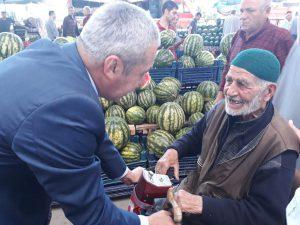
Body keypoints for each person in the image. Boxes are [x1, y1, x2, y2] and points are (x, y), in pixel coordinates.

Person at [0, 2, 175, 225]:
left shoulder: (52, 53)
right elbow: (92, 215)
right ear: (113, 67)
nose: (145, 82)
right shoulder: (66, 108)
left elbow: (97, 135)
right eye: (143, 72)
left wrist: (124, 173)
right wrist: (148, 223)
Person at [155, 48, 300, 225]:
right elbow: (196, 136)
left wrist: (201, 205)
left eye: (242, 84)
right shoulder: (220, 110)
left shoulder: (280, 147)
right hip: (191, 200)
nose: (230, 91)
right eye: (229, 80)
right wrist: (175, 150)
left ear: (268, 92)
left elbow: (265, 216)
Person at [215, 0, 294, 103]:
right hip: (233, 105)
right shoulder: (238, 35)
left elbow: (288, 82)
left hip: (259, 112)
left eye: (250, 10)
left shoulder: (281, 38)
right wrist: (220, 94)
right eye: (242, 11)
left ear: (267, 11)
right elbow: (228, 66)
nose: (243, 16)